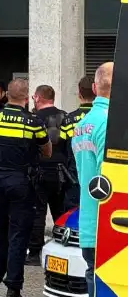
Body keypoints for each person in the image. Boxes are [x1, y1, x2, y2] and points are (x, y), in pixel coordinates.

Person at [72, 62, 128, 297]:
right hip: (119, 234)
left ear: (94, 87)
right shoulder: (118, 125)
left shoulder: (83, 125)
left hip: (93, 233)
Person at [0, 77, 50, 297]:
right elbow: (47, 150)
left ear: (6, 95)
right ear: (26, 96)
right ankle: (13, 292)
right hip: (21, 182)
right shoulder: (31, 122)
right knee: (18, 237)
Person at [29, 84, 68, 265]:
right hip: (61, 172)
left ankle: (34, 253)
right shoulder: (65, 117)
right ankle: (63, 249)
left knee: (38, 213)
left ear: (37, 98)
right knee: (61, 212)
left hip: (40, 171)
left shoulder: (33, 119)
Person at [61, 75, 96, 211]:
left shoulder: (68, 119)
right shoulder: (105, 117)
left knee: (73, 216)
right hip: (99, 178)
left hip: (74, 176)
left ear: (79, 93)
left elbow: (63, 149)